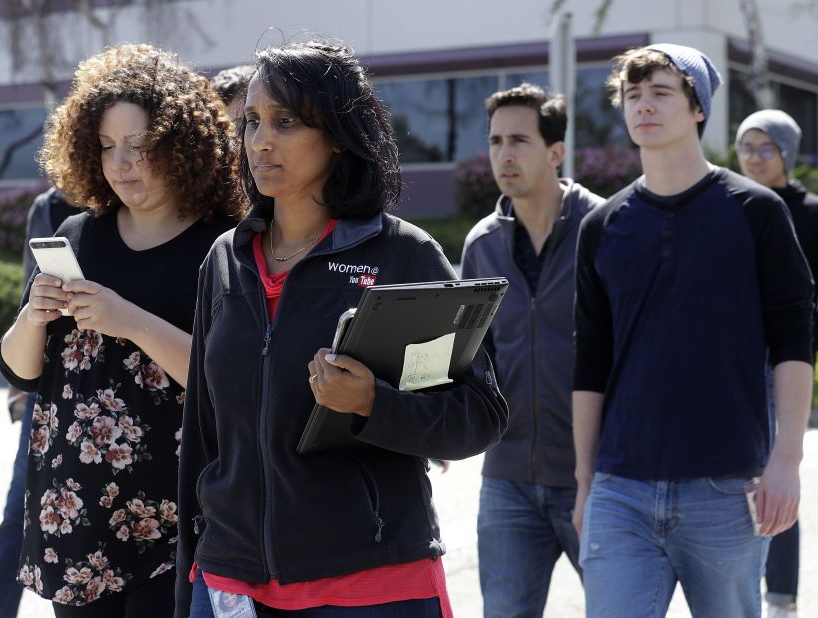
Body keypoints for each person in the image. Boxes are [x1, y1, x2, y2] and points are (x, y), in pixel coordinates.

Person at [174, 40, 508, 618]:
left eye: (285, 121)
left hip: (368, 586)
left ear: (336, 134)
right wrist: (190, 583)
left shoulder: (403, 256)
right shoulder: (225, 259)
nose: (260, 140)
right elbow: (204, 437)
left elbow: (477, 415)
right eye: (252, 121)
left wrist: (371, 404)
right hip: (230, 581)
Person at [0, 43, 242, 617]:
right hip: (76, 515)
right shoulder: (78, 234)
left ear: (182, 145)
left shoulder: (222, 246)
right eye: (107, 147)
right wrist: (33, 316)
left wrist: (129, 322)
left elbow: (226, 381)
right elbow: (21, 369)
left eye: (139, 145)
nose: (121, 163)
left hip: (176, 520)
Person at [571, 43, 814, 617]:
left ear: (697, 108)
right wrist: (585, 482)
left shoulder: (755, 211)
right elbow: (590, 359)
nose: (643, 106)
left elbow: (793, 337)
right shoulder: (601, 226)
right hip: (620, 489)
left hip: (726, 489)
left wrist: (786, 461)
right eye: (633, 95)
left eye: (660, 93)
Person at [460, 83, 602, 618]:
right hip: (508, 482)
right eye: (495, 141)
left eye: (519, 139)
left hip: (599, 480)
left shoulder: (605, 228)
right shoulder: (482, 244)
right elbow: (474, 357)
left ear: (556, 151)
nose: (504, 155)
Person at [0, 187, 76, 618]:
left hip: (125, 398)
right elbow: (31, 303)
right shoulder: (51, 207)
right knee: (19, 514)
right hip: (47, 387)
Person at [736, 109, 818, 618]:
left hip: (783, 363)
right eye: (747, 147)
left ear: (786, 153)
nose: (755, 158)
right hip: (735, 363)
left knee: (776, 479)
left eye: (766, 148)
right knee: (734, 484)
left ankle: (781, 600)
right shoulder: (731, 207)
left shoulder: (808, 212)